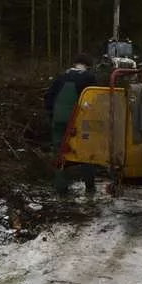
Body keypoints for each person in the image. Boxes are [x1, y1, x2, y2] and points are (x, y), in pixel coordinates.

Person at [44, 53, 98, 194]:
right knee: (86, 152)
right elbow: (93, 100)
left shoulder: (61, 77)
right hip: (79, 122)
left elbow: (48, 98)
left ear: (75, 63)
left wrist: (52, 116)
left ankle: (61, 189)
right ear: (87, 65)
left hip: (58, 121)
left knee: (59, 152)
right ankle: (90, 188)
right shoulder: (89, 78)